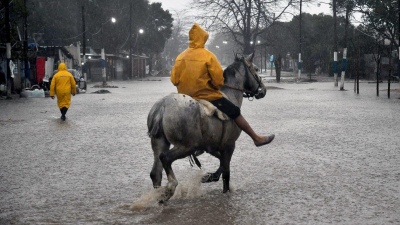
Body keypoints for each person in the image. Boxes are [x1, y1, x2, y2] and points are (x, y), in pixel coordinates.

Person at [170, 23, 275, 147]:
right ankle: (256, 138)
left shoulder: (180, 57)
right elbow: (219, 81)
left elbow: (174, 80)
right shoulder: (208, 56)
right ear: (203, 38)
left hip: (184, 96)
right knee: (235, 111)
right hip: (206, 95)